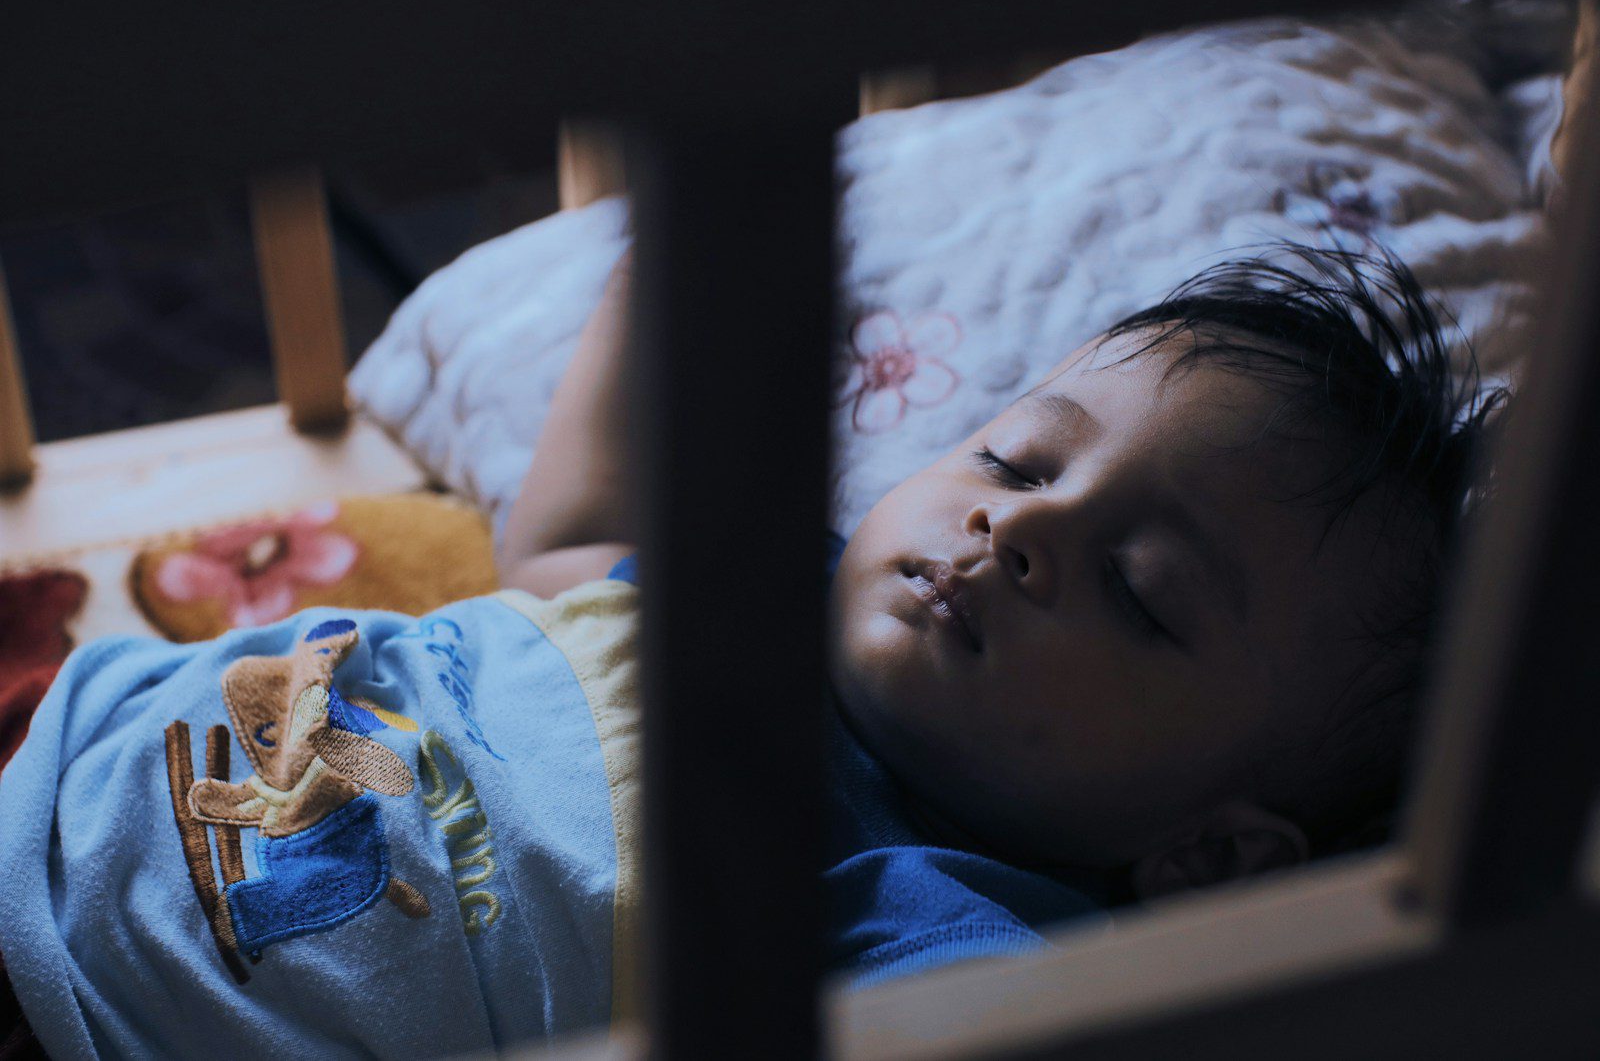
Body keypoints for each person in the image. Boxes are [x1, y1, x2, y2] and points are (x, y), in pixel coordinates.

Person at [0, 243, 1497, 1058]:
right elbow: (568, 538)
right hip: (48, 786)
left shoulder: (948, 931)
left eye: (1148, 593)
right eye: (1020, 460)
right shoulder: (733, 600)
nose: (1022, 534)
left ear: (1213, 855)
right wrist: (674, 239)